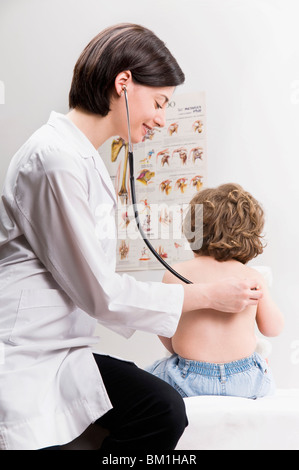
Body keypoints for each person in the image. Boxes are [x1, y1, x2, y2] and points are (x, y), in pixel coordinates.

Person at [0, 24, 263, 450]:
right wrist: (211, 296)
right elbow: (102, 295)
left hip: (66, 353)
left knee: (161, 408)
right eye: (159, 102)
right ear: (123, 83)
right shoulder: (53, 161)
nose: (162, 118)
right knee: (158, 409)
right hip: (31, 354)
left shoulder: (83, 162)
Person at [146, 183, 284, 399]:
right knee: (262, 367)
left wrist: (182, 349)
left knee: (151, 373)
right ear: (249, 234)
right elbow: (273, 329)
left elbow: (163, 326)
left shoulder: (175, 273)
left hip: (188, 379)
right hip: (246, 380)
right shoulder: (252, 276)